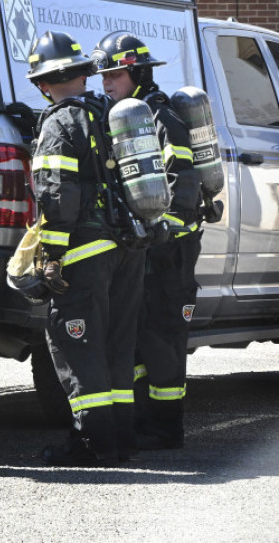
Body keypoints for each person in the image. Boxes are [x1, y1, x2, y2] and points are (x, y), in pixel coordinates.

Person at [26, 31, 145, 467]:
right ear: (82, 74)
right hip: (128, 248)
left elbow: (58, 197)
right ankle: (121, 439)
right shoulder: (109, 112)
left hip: (84, 253)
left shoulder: (58, 123)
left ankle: (93, 443)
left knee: (77, 345)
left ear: (43, 82)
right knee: (117, 345)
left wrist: (52, 257)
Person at [91, 32, 202, 450]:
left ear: (136, 72)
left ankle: (166, 426)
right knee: (135, 333)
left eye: (115, 73)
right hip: (142, 245)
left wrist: (169, 225)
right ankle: (140, 419)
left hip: (171, 247)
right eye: (103, 74)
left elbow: (185, 179)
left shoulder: (160, 115)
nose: (106, 82)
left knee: (162, 335)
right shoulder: (120, 116)